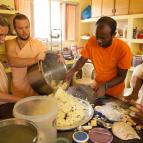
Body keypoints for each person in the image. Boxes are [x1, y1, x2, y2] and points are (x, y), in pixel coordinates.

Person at [65, 16, 132, 99]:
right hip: (96, 86)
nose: (99, 40)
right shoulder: (91, 42)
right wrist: (72, 70)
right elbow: (81, 60)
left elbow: (121, 76)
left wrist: (105, 86)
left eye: (103, 38)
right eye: (97, 36)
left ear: (113, 35)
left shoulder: (123, 49)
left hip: (115, 91)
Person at [5, 13, 47, 98]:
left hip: (36, 90)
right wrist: (35, 59)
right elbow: (13, 61)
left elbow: (47, 59)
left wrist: (58, 56)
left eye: (27, 27)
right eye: (20, 28)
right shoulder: (10, 43)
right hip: (18, 93)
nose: (24, 31)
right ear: (15, 29)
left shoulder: (38, 44)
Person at [0, 16, 21, 118]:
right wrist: (20, 99)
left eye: (4, 35)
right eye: (0, 35)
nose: (2, 40)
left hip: (4, 103)